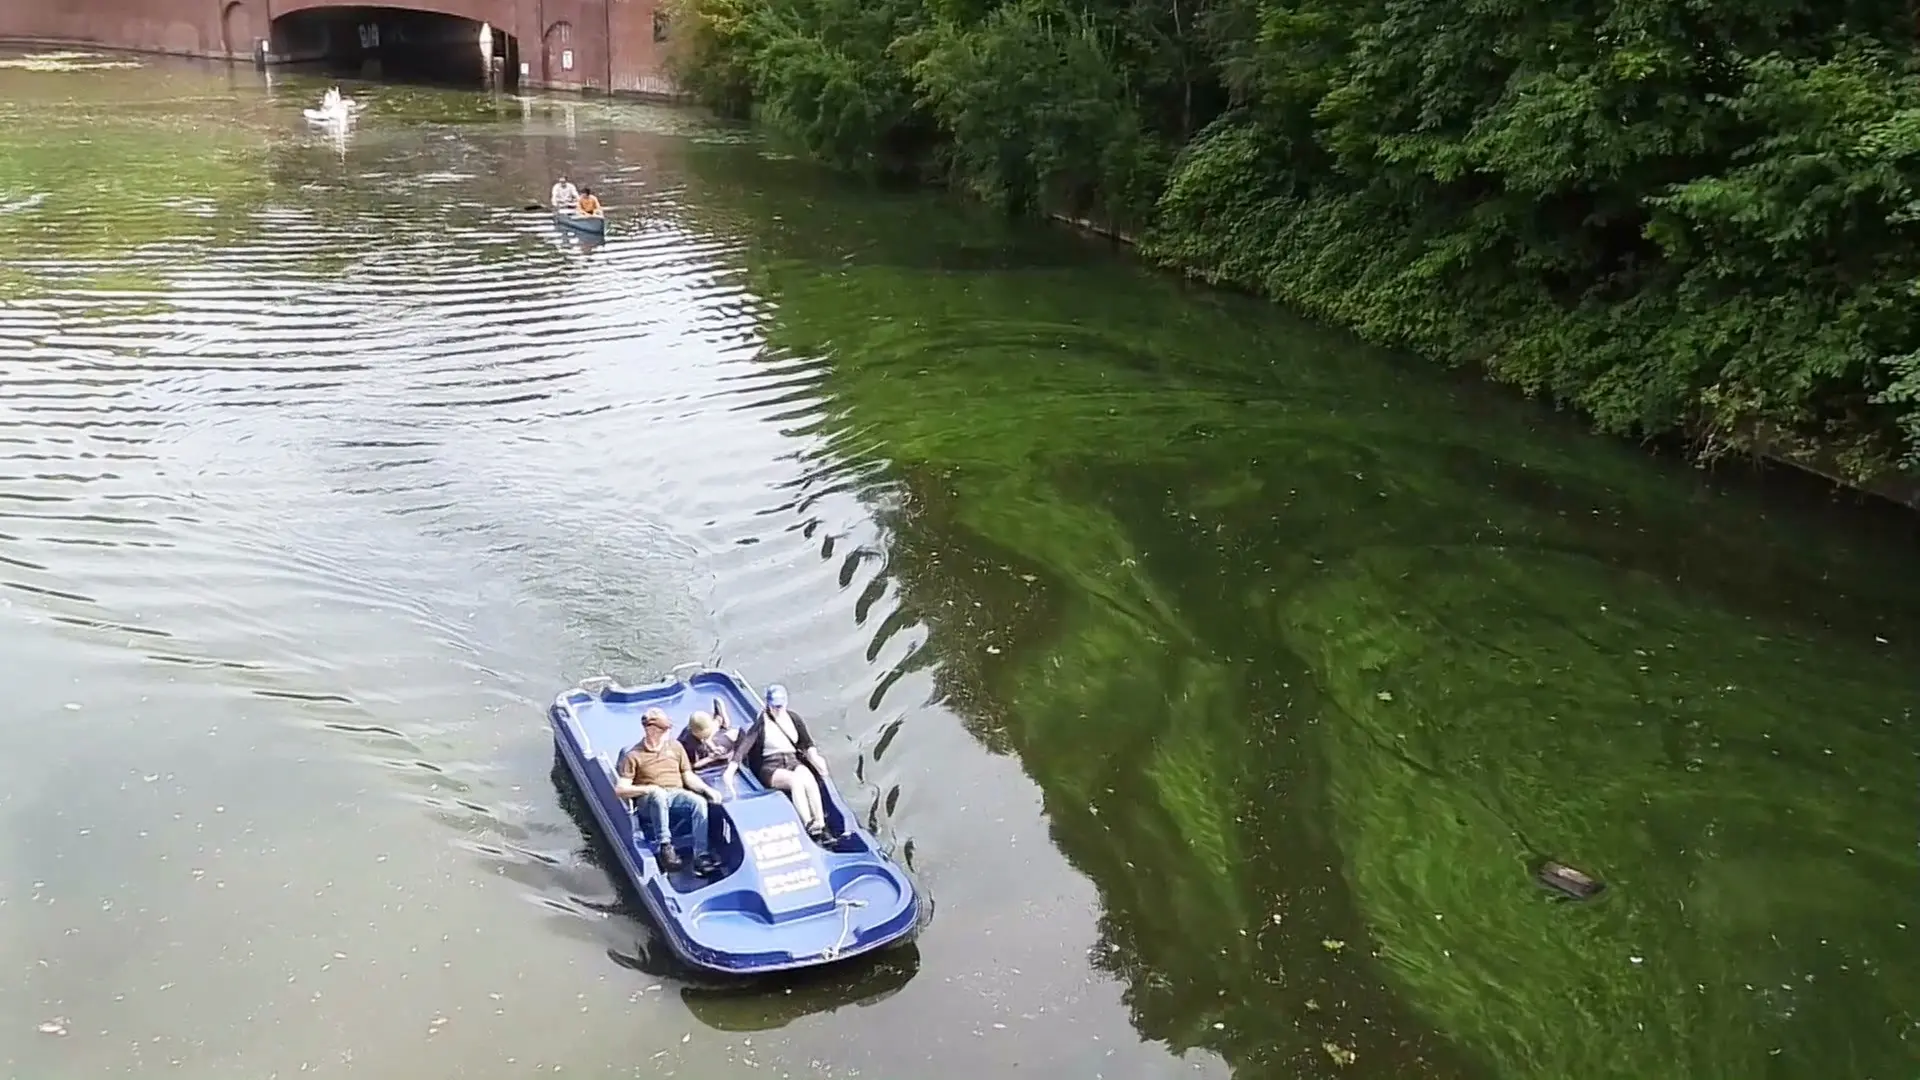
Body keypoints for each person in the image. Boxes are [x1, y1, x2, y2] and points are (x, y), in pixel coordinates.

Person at [614, 708, 724, 876]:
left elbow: (687, 775)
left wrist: (706, 789)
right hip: (649, 800)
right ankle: (665, 847)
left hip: (674, 794)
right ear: (651, 730)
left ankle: (701, 855)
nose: (668, 732)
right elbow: (621, 789)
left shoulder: (675, 747)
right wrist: (648, 789)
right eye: (664, 729)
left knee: (699, 802)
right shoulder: (634, 756)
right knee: (658, 795)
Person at [727, 683, 837, 844]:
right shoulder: (762, 723)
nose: (777, 710)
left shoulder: (793, 719)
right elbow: (744, 747)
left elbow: (807, 743)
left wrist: (815, 758)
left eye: (780, 706)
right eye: (774, 706)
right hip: (770, 765)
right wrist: (731, 768)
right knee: (795, 781)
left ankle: (820, 822)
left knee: (809, 779)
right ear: (768, 705)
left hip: (792, 760)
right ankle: (808, 823)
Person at [680, 699, 739, 771]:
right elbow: (693, 765)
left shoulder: (691, 728)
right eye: (706, 734)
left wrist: (713, 748)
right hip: (706, 755)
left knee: (719, 729)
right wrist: (712, 758)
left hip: (708, 745)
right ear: (698, 732)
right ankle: (721, 722)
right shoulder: (691, 747)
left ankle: (720, 721)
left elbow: (705, 739)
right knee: (734, 735)